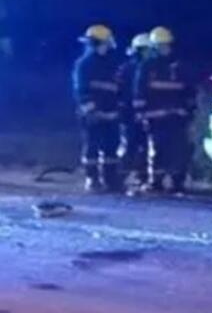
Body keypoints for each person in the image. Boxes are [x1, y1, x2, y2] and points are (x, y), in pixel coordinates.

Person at [134, 26, 196, 193]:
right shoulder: (147, 67)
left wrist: (189, 111)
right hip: (155, 117)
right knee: (157, 150)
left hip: (177, 116)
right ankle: (156, 182)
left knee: (179, 150)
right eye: (161, 46)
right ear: (154, 47)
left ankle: (177, 182)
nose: (164, 49)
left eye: (166, 45)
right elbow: (140, 92)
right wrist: (141, 114)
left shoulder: (179, 66)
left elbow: (190, 90)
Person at [72, 24, 122, 192]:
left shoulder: (112, 65)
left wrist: (117, 109)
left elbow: (117, 90)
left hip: (111, 113)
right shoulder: (84, 65)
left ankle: (111, 179)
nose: (107, 46)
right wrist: (91, 110)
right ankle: (92, 179)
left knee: (111, 147)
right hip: (92, 113)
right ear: (98, 43)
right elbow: (82, 91)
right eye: (105, 43)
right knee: (92, 146)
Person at [118, 33, 153, 188]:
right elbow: (119, 90)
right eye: (145, 50)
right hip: (129, 113)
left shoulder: (151, 69)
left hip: (146, 113)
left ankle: (142, 175)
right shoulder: (127, 69)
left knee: (145, 145)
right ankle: (120, 175)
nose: (149, 54)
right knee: (129, 145)